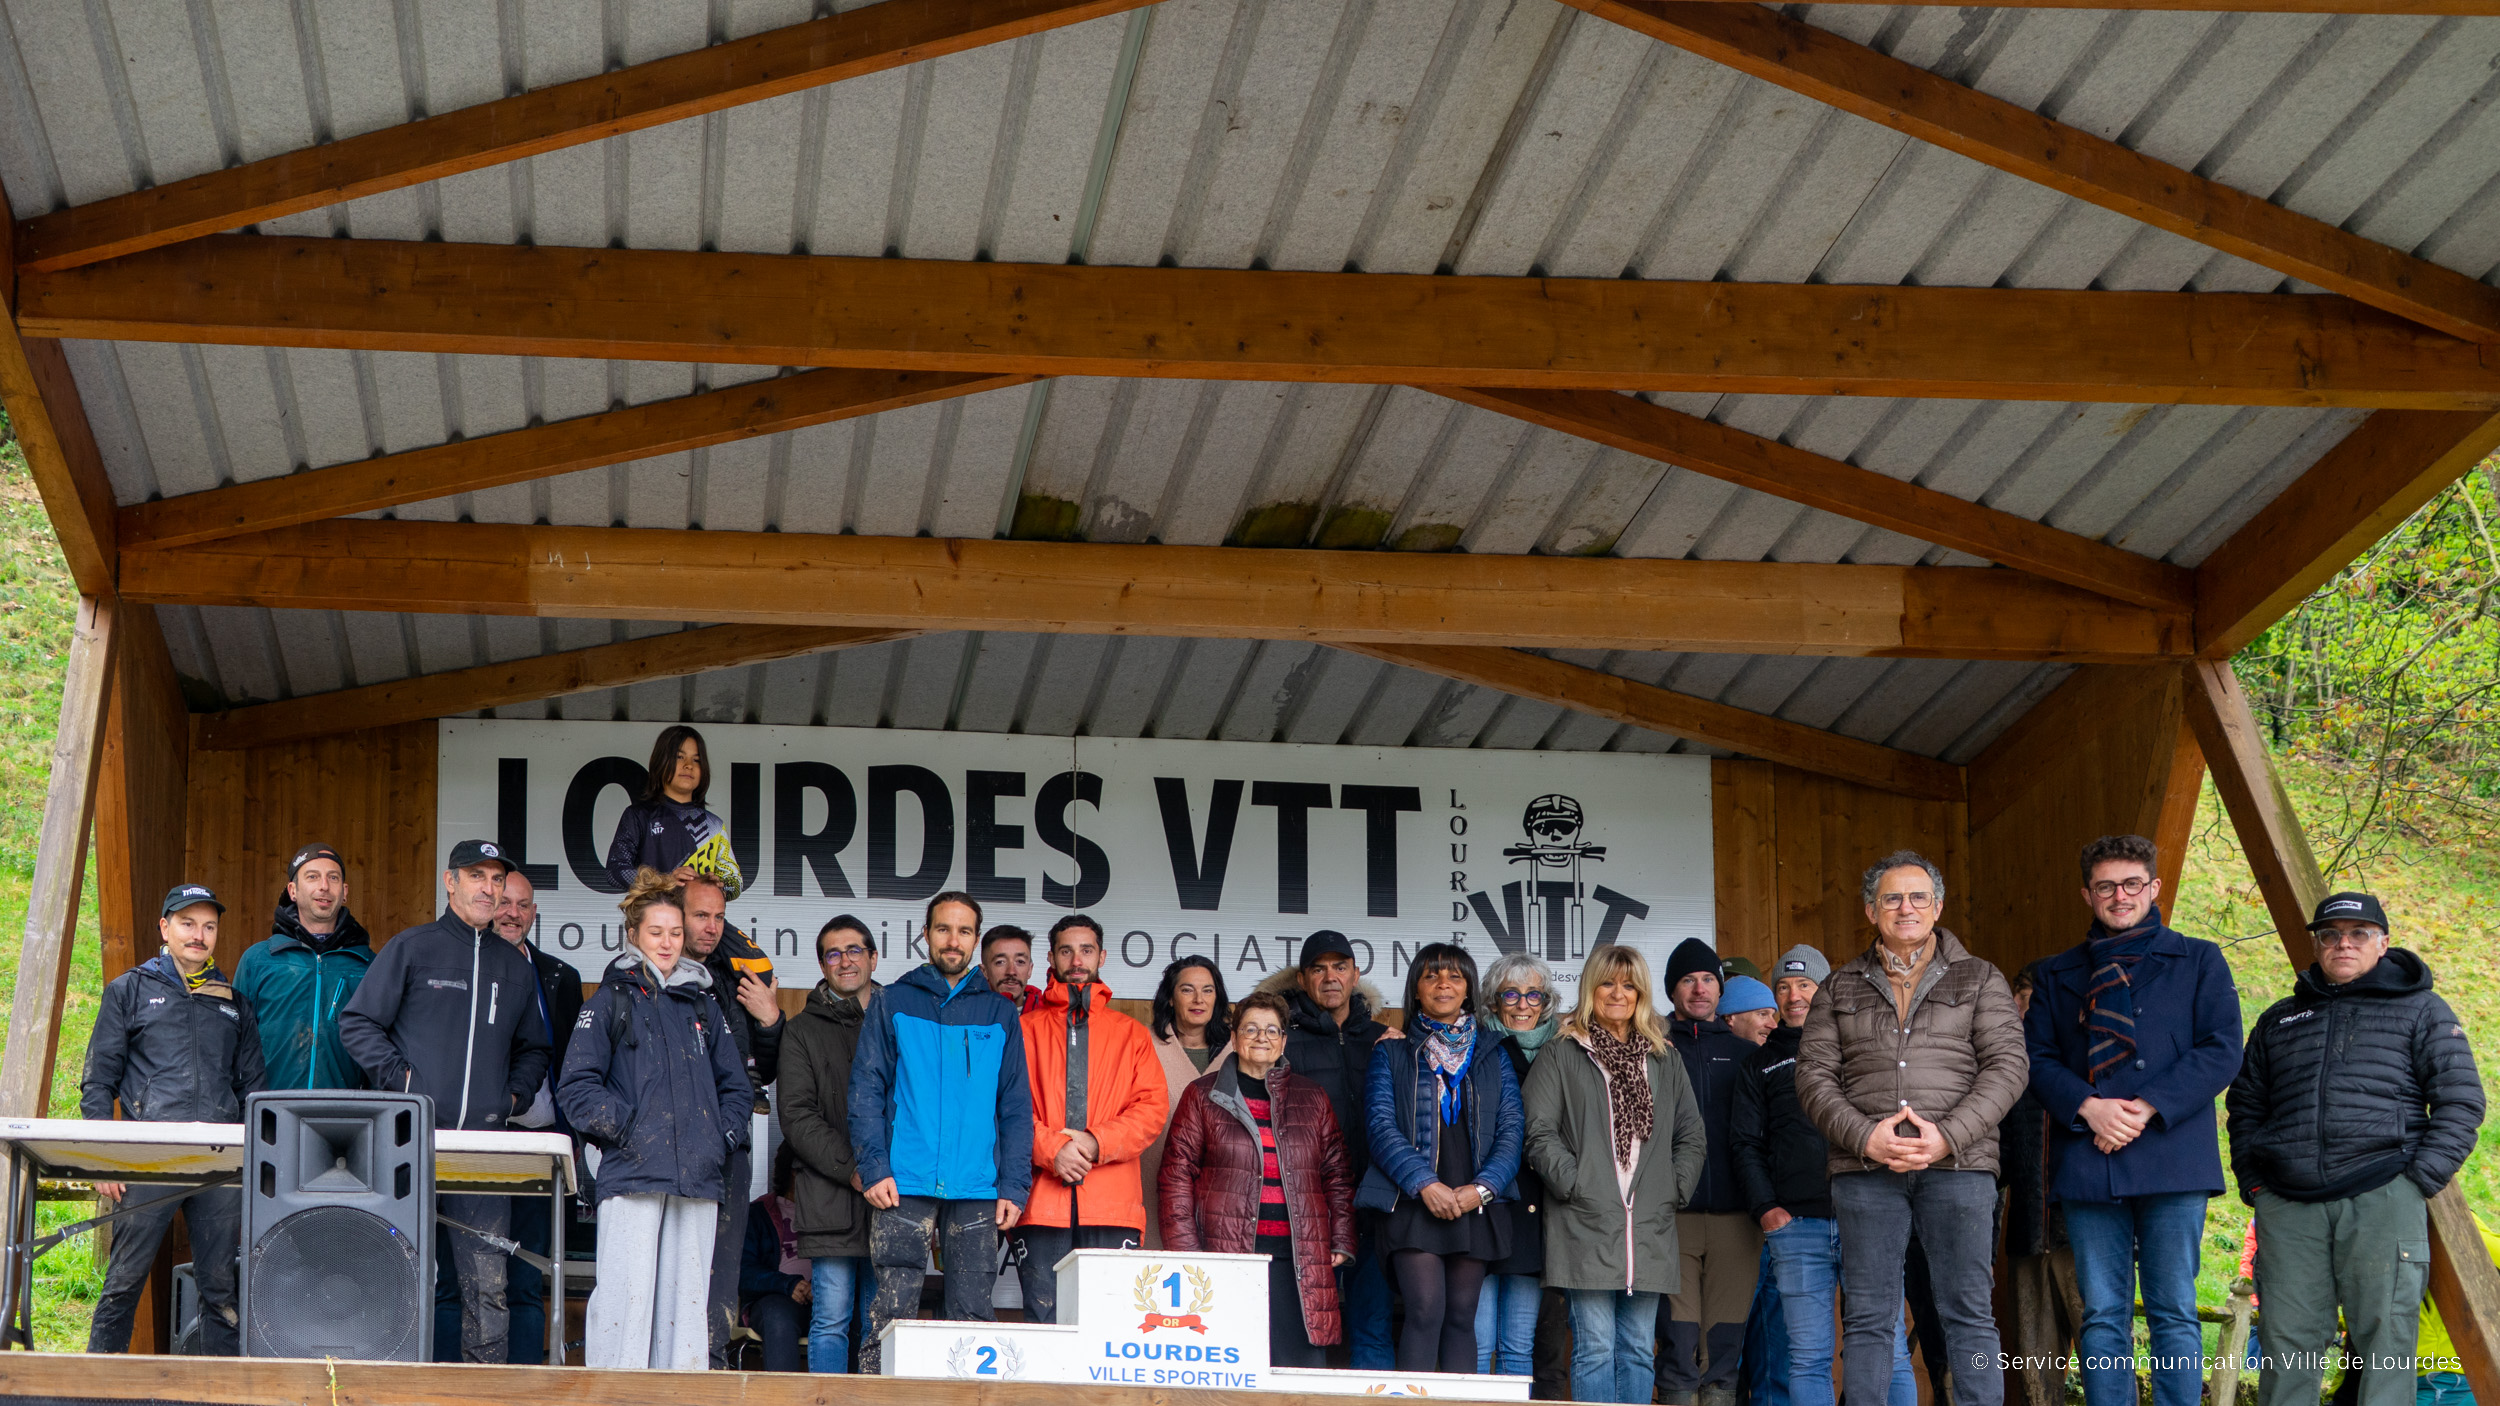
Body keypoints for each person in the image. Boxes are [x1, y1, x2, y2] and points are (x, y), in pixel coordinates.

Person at [2226, 891, 2485, 1406]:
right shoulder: (2279, 1019)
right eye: (2330, 935)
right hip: (2288, 1203)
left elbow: (2461, 1101)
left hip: (2382, 1192)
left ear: (2383, 943)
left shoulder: (2423, 1010)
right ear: (2317, 945)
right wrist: (2256, 1184)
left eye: (2359, 934)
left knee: (2386, 1341)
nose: (2343, 943)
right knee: (2286, 1343)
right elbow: (2246, 1105)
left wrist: (2416, 1181)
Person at [1794, 850, 2027, 1406]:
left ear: (1937, 907)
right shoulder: (1838, 987)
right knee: (1869, 1316)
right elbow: (1813, 1076)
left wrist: (1948, 1135)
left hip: (1960, 1165)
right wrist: (1865, 1137)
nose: (1906, 908)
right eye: (1892, 898)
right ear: (1871, 910)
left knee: (1968, 1313)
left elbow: (2008, 1067)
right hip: (1865, 1169)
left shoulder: (1980, 977)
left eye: (1918, 897)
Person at [2024, 834, 2243, 1406]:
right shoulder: (2056, 973)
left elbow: (2222, 1049)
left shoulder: (2199, 959)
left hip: (2172, 1155)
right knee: (2102, 1313)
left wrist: (2145, 1107)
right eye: (2106, 887)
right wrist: (2089, 1106)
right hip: (2089, 1154)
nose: (2119, 896)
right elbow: (2035, 1058)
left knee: (2173, 1308)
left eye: (2131, 884)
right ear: (2087, 894)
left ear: (2154, 887)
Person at [339, 839, 551, 1364]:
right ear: (450, 881)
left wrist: (511, 1098)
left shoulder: (514, 966)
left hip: (482, 1149)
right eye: (477, 875)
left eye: (496, 879)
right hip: (410, 1142)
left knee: (487, 1283)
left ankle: (481, 1393)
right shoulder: (413, 948)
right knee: (395, 1272)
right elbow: (358, 1022)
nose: (488, 888)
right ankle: (388, 1387)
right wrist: (404, 1083)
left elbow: (535, 1048)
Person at [559, 869, 754, 1370]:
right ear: (633, 934)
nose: (667, 943)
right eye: (655, 932)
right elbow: (576, 1088)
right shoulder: (610, 999)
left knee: (687, 1312)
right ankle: (614, 1398)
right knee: (626, 1304)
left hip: (697, 1177)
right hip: (633, 1174)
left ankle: (681, 1398)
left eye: (675, 933)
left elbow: (737, 1088)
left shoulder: (704, 1005)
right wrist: (628, 1131)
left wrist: (717, 1138)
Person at [848, 890, 1033, 1369]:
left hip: (977, 1186)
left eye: (964, 931)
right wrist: (874, 1168)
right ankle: (879, 1398)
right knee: (890, 1315)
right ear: (926, 934)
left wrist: (1014, 1185)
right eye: (944, 929)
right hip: (902, 1183)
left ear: (975, 939)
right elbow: (866, 1090)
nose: (953, 940)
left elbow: (1015, 1107)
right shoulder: (893, 1001)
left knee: (972, 1315)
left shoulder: (999, 1012)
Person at [81, 884, 265, 1356]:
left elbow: (254, 1094)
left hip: (220, 1164)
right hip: (149, 1160)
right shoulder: (129, 990)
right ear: (165, 928)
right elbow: (98, 1081)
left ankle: (219, 1389)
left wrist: (252, 1161)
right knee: (123, 1282)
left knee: (221, 1290)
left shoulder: (235, 1003)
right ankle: (95, 1385)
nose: (199, 935)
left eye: (208, 926)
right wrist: (103, 1156)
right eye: (187, 924)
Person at [1732, 944, 1915, 1406]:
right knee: (1808, 1357)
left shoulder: (1861, 1047)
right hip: (1796, 1228)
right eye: (1783, 987)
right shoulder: (1760, 1063)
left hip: (1868, 1219)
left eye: (1804, 985)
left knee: (1888, 1349)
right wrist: (1767, 1209)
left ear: (1826, 989)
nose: (1793, 996)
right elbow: (1746, 1143)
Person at [1524, 944, 1705, 1405]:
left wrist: (1673, 1188)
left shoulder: (1663, 1058)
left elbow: (1691, 1135)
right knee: (1595, 1349)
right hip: (1584, 1221)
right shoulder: (1563, 1052)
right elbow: (1538, 1132)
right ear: (1591, 989)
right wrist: (1576, 1184)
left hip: (1649, 1224)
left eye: (1629, 985)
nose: (1618, 994)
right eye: (1607, 983)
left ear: (1642, 993)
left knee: (1639, 1350)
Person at [1159, 990, 1355, 1369]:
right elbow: (1175, 1178)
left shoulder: (1312, 1098)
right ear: (1234, 1038)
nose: (1261, 1037)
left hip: (1299, 1257)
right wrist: (1187, 1252)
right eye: (1250, 1029)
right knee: (1232, 1369)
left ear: (1283, 1040)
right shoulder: (1202, 1095)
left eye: (1271, 1030)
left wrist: (1342, 1237)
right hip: (1226, 1255)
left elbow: (1337, 1175)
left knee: (1299, 1375)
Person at [434, 868, 582, 1364]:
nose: (512, 914)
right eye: (504, 903)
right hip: (472, 1146)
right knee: (455, 1279)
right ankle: (447, 1388)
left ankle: (524, 1389)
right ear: (487, 904)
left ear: (534, 914)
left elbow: (568, 1063)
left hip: (537, 1149)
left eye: (523, 905)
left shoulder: (559, 976)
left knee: (524, 1280)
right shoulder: (455, 963)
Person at [1360, 943, 1524, 1375]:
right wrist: (1424, 1184)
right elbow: (1379, 1126)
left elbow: (1512, 1130)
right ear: (1416, 989)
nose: (1443, 984)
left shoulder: (1494, 1052)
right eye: (1431, 976)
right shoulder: (1391, 1052)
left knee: (1461, 1317)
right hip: (1413, 1201)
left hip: (1475, 1202)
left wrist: (1483, 1189)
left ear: (1469, 989)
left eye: (1454, 976)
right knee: (1424, 1312)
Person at [1014, 914, 1168, 1321]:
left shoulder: (1132, 1033)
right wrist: (1053, 1150)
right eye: (1066, 951)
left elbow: (1152, 1108)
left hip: (1113, 1205)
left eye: (1086, 950)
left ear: (1102, 956)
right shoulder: (1023, 1030)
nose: (1077, 960)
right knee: (1045, 1322)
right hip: (1040, 1204)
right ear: (1051, 958)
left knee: (1111, 1326)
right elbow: (1005, 1109)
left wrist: (1094, 1142)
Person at [1263, 929, 1399, 1369]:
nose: (1330, 977)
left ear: (1355, 975)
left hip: (1375, 1206)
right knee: (1301, 1330)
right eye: (1318, 969)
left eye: (1340, 967)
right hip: (1307, 1208)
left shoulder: (1383, 1039)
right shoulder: (1283, 1041)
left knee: (1373, 1326)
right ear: (1302, 979)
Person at [682, 871, 785, 1367]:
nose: (712, 927)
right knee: (674, 1262)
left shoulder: (738, 979)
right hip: (672, 1145)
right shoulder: (651, 975)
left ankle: (712, 1367)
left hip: (730, 1143)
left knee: (722, 1266)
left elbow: (767, 1068)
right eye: (700, 915)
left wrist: (771, 1021)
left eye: (720, 917)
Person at [1657, 937, 1762, 1406]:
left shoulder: (1746, 1055)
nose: (1699, 989)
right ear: (1671, 989)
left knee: (1724, 1346)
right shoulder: (1652, 1049)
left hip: (1737, 1221)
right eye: (1687, 980)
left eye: (1707, 980)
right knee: (1677, 1343)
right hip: (1671, 1218)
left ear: (1721, 989)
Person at [781, 914, 878, 1373]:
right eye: (833, 954)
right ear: (822, 965)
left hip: (893, 1196)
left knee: (882, 1323)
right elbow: (797, 1115)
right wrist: (854, 1169)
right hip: (830, 1197)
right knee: (831, 1322)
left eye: (854, 950)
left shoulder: (899, 1020)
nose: (845, 961)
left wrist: (884, 1170)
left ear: (873, 957)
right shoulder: (801, 1029)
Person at [1474, 952, 1569, 1395]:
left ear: (1547, 1002)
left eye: (1534, 995)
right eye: (1510, 994)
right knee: (1477, 1345)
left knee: (1518, 1347)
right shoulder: (1473, 1047)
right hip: (1484, 1204)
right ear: (1493, 1002)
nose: (1523, 1004)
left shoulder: (1565, 1049)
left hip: (1541, 1208)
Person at [2001, 962, 2082, 1406]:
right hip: (2027, 1234)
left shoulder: (2088, 1061)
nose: (2020, 1009)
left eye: (2029, 1000)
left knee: (2104, 1355)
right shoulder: (2006, 1069)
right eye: (2018, 999)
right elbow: (1999, 1157)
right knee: (2034, 1367)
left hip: (2085, 1236)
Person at [232, 842, 373, 1091]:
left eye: (333, 877)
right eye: (312, 877)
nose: (324, 886)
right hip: (270, 1107)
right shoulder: (258, 960)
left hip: (345, 1109)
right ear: (293, 891)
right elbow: (235, 1042)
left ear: (344, 892)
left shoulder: (369, 965)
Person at [1143, 954, 1232, 1250]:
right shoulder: (1144, 1043)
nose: (1198, 999)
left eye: (1207, 990)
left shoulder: (1238, 1050)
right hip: (1152, 1182)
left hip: (1223, 1194)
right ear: (1170, 998)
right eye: (1187, 990)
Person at [604, 724, 743, 898]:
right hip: (654, 914)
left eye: (696, 760)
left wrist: (718, 886)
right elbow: (615, 872)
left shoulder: (714, 825)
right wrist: (665, 880)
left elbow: (735, 882)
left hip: (698, 915)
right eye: (679, 757)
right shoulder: (638, 816)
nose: (688, 765)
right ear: (660, 762)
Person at [741, 1147, 811, 1372]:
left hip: (827, 1299)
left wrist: (821, 1287)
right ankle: (783, 1393)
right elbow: (743, 1272)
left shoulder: (834, 1214)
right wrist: (788, 1285)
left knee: (856, 1315)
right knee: (778, 1317)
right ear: (793, 1172)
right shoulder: (759, 1213)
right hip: (778, 1299)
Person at [981, 925, 1036, 1007]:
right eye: (1000, 962)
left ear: (1030, 970)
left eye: (1020, 961)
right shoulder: (968, 1012)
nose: (1011, 971)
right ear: (984, 971)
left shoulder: (1049, 1014)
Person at [1718, 977, 1778, 1047]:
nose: (1774, 1025)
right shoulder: (1708, 1051)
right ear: (1730, 1017)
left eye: (1772, 1016)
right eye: (1762, 1014)